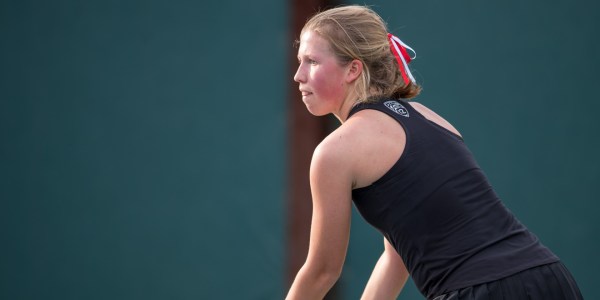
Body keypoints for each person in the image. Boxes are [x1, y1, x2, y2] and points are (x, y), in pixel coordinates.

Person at [286, 5, 583, 300]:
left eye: (311, 61)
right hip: (550, 277)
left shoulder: (334, 152)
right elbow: (396, 258)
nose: (298, 75)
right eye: (300, 61)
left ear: (353, 69)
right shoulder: (430, 117)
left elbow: (323, 271)